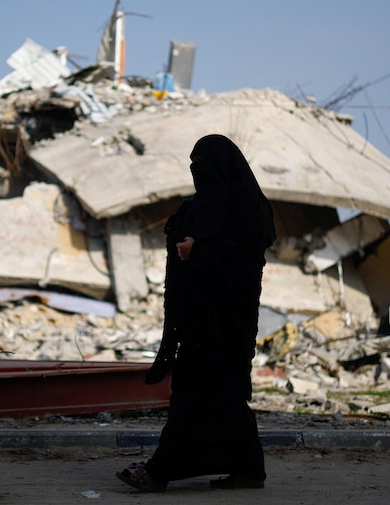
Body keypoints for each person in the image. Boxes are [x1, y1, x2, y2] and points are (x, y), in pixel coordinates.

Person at [116, 134, 277, 492]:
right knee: (223, 398)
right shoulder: (203, 207)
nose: (198, 173)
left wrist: (199, 250)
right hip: (199, 321)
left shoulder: (249, 209)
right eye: (194, 166)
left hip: (230, 322)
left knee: (197, 396)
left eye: (204, 165)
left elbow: (242, 260)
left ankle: (159, 471)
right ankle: (249, 469)